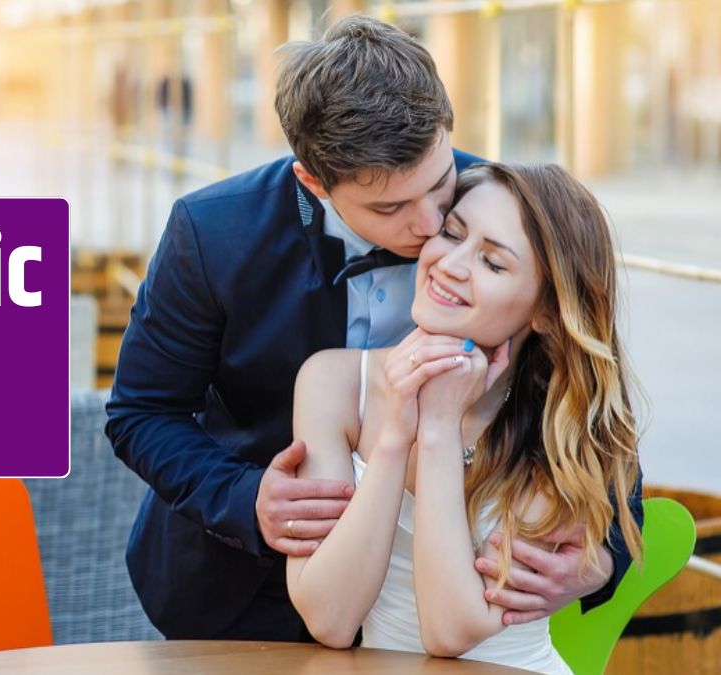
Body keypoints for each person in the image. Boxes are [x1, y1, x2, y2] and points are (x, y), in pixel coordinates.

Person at [105, 15, 643, 642]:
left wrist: (600, 559)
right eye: (390, 207)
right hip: (247, 589)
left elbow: (588, 390)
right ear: (314, 182)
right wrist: (246, 497)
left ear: (446, 130)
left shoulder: (491, 213)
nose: (431, 228)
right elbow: (141, 412)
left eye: (439, 185)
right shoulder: (212, 234)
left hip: (445, 600)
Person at [287, 162, 643, 674]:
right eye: (452, 232)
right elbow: (330, 619)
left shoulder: (557, 427)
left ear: (543, 311)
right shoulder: (332, 383)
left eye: (493, 263)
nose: (449, 264)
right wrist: (392, 437)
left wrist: (437, 429)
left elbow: (449, 629)